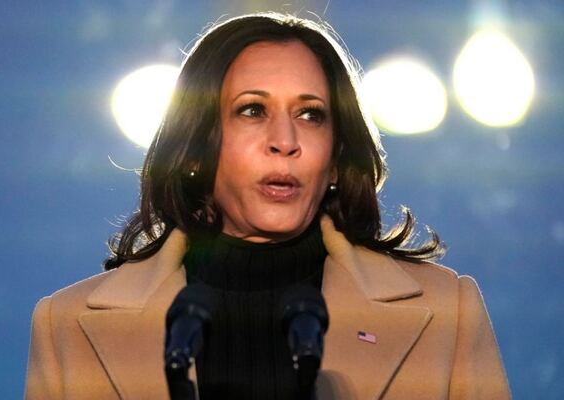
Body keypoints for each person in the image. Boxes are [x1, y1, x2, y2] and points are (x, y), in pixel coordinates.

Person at [25, 12, 510, 400]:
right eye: (252, 110)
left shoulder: (448, 314)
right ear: (195, 150)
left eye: (311, 115)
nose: (285, 141)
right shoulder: (65, 327)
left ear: (338, 159)